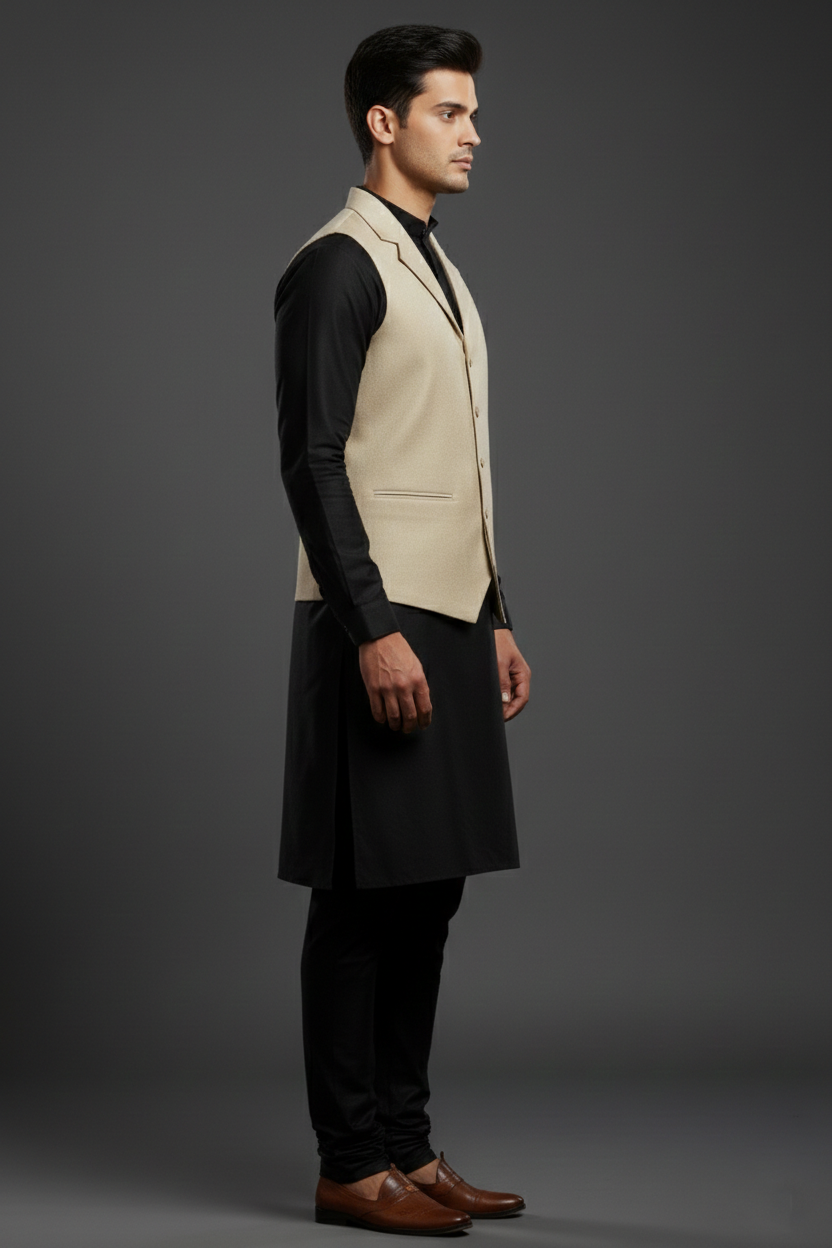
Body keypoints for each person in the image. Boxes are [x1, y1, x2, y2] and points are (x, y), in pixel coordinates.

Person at [274, 24, 532, 1236]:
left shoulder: (437, 263)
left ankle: (409, 1148)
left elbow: (450, 461)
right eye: (449, 111)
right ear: (384, 123)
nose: (473, 132)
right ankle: (349, 1164)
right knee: (362, 898)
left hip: (451, 613)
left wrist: (495, 614)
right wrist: (373, 630)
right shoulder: (337, 265)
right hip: (371, 617)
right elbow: (313, 460)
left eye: (473, 112)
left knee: (428, 894)